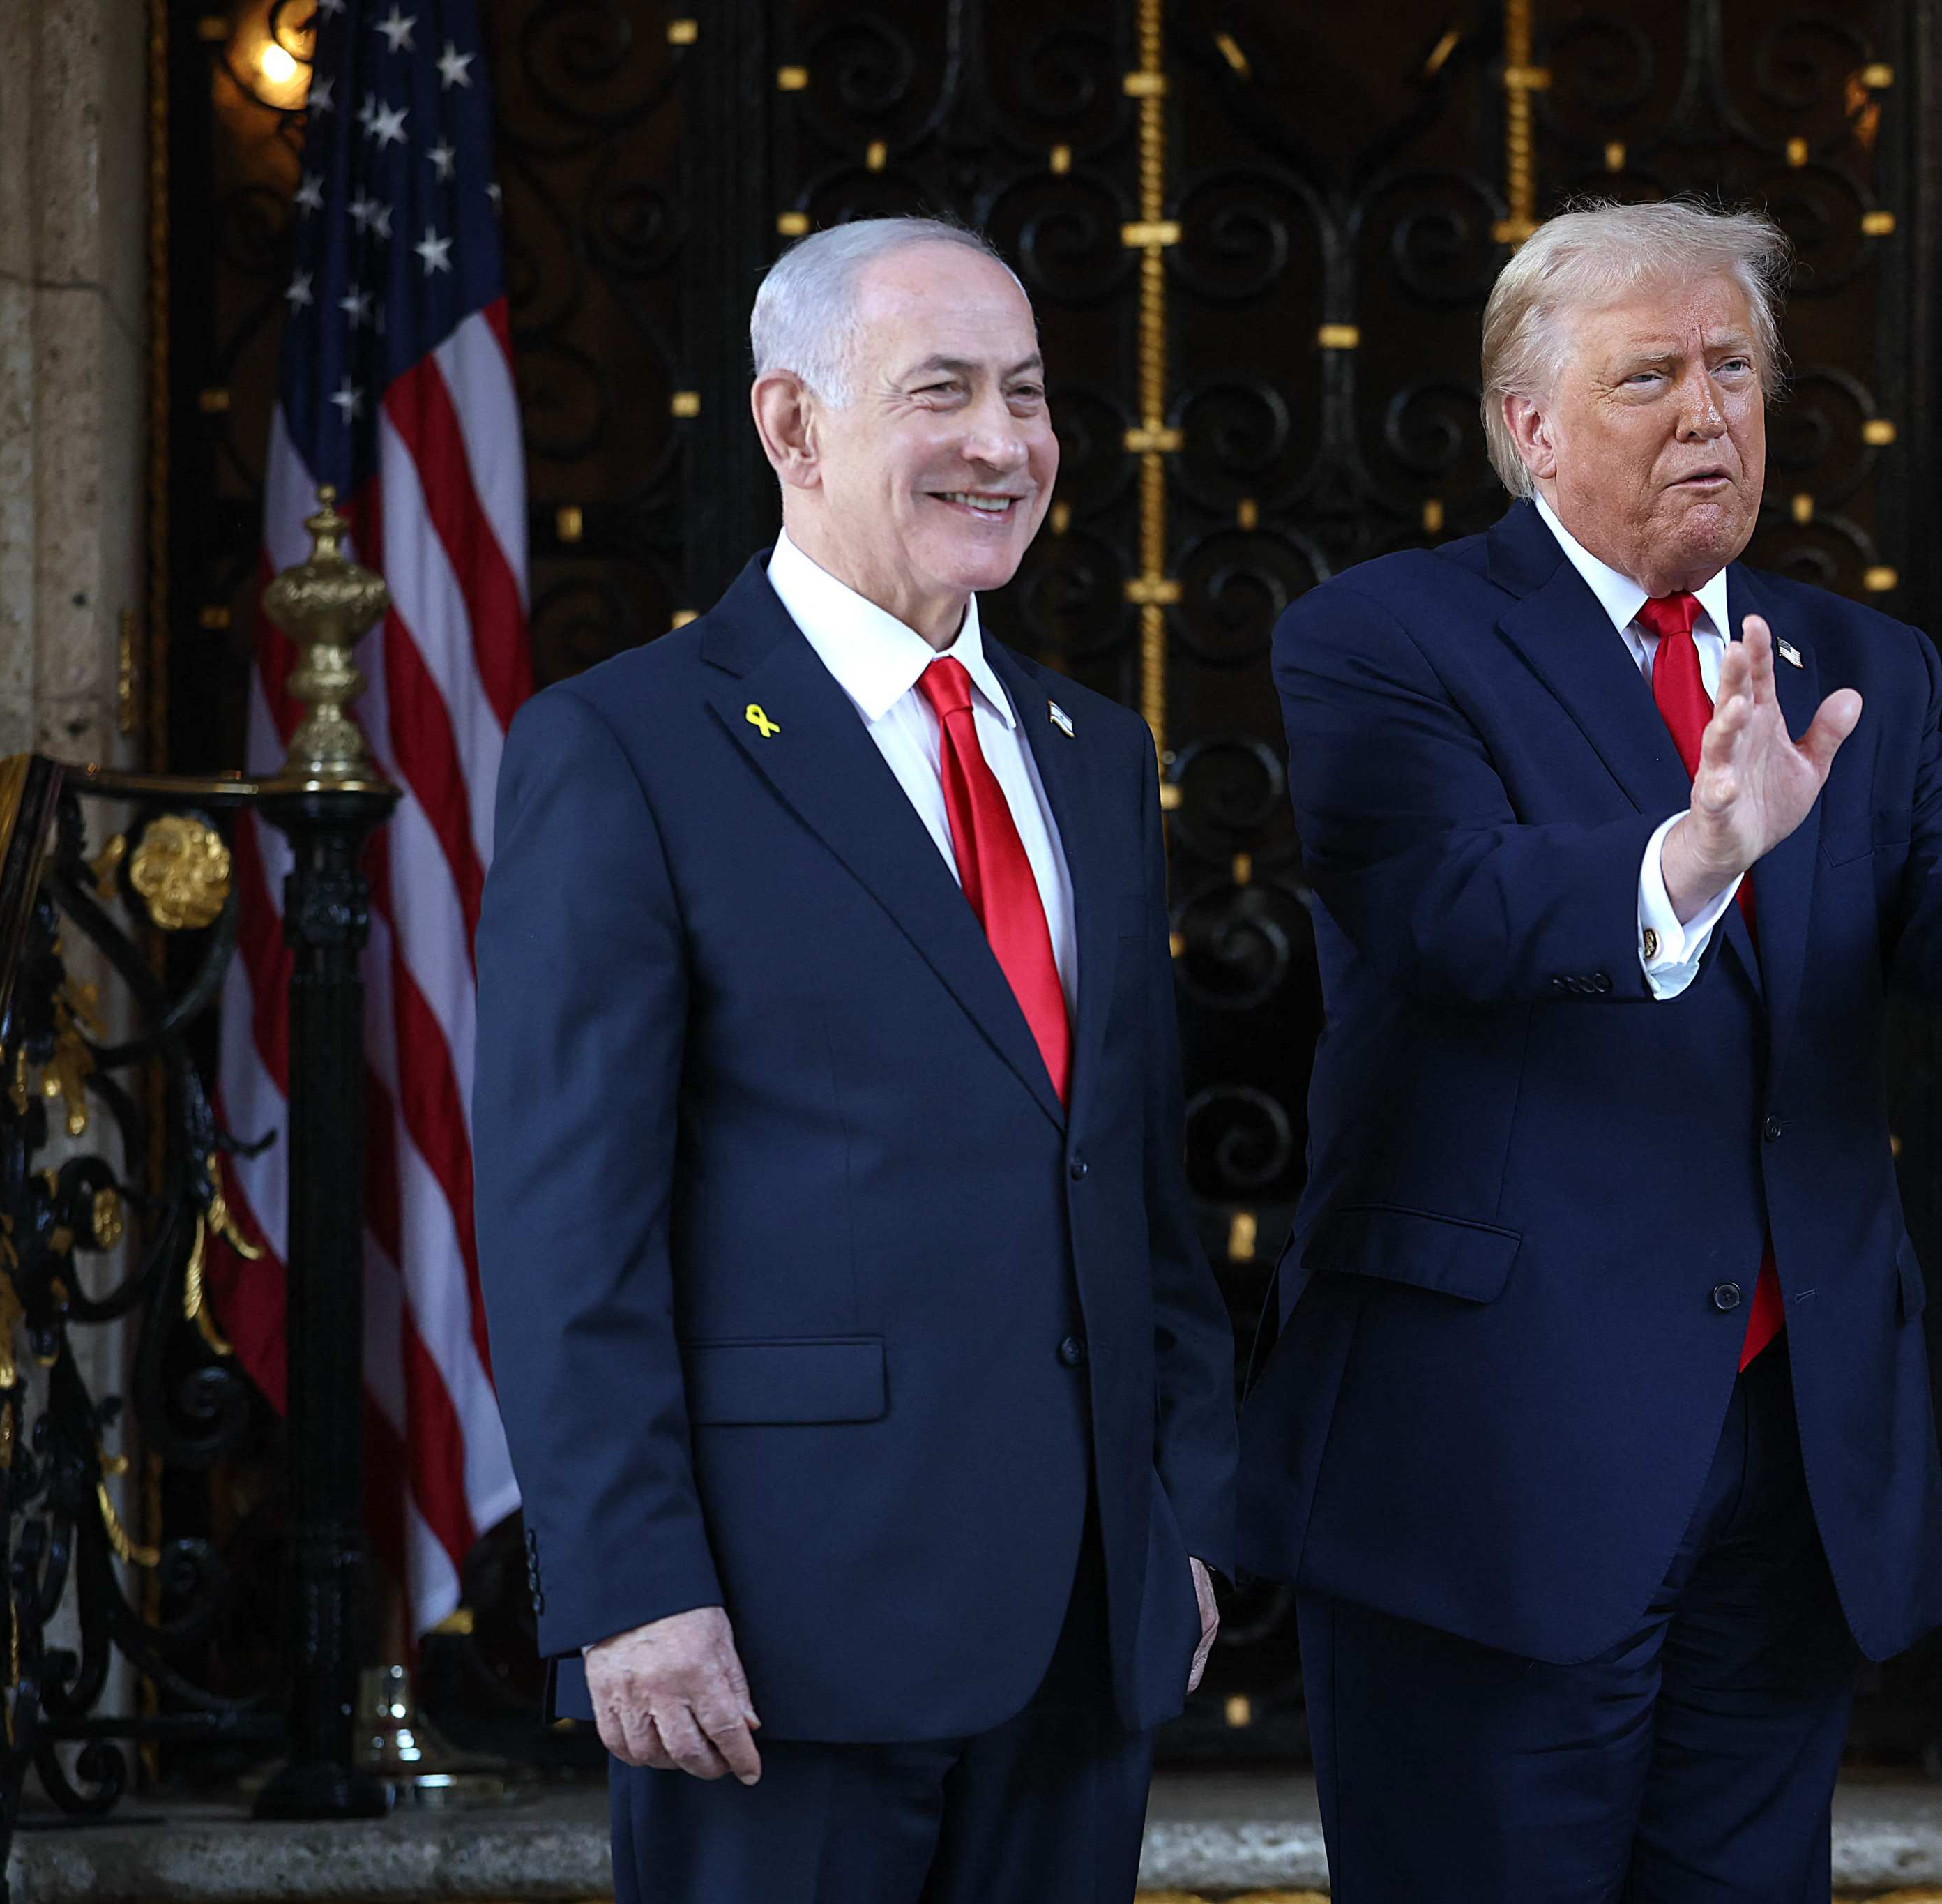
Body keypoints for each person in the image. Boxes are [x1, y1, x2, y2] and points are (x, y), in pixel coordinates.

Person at [1232, 199, 1942, 1903]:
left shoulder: (1860, 662)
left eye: (1732, 368)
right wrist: (1692, 856)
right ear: (1529, 427)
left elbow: (1936, 920)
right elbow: (1443, 912)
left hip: (1793, 1455)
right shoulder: (1382, 635)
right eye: (1647, 375)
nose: (1705, 410)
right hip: (1497, 1453)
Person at [474, 215, 1237, 1904]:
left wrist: (1181, 1515)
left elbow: (1130, 1177)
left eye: (1026, 395)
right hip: (774, 1637)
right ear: (792, 426)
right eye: (940, 392)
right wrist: (628, 1586)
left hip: (1082, 1627)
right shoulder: (627, 746)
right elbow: (562, 1227)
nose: (1002, 443)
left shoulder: (1092, 753)